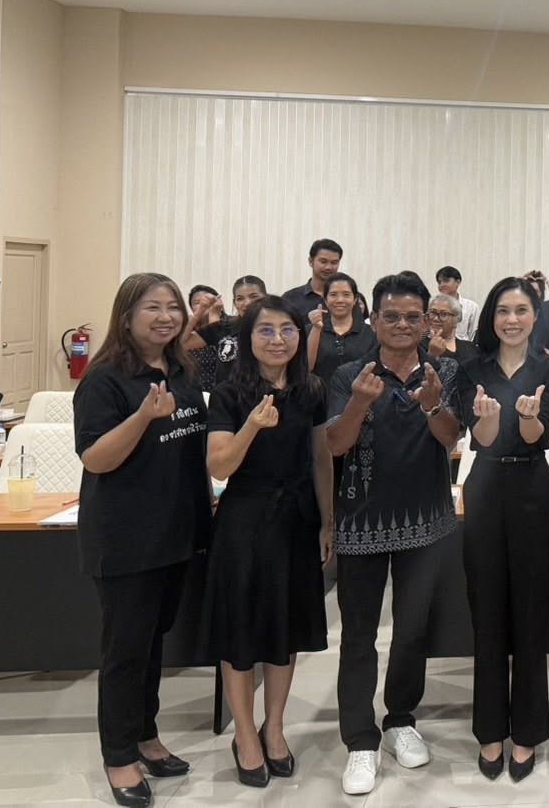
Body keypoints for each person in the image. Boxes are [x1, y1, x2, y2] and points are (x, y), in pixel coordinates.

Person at [74, 273, 212, 808]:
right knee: (126, 652)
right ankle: (118, 755)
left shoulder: (180, 369)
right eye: (152, 307)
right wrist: (142, 417)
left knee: (154, 644)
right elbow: (95, 458)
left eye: (173, 307)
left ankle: (146, 735)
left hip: (176, 532)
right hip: (126, 539)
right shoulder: (105, 379)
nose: (166, 316)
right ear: (127, 315)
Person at [326, 274, 462, 796]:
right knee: (358, 635)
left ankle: (401, 718)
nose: (402, 325)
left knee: (411, 630)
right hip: (361, 521)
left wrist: (432, 404)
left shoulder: (444, 370)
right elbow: (335, 445)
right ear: (375, 320)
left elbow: (451, 438)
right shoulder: (349, 373)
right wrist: (359, 403)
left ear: (426, 321)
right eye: (391, 316)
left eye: (412, 317)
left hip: (425, 520)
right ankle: (360, 739)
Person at [204, 298, 333, 788]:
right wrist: (252, 427)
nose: (278, 340)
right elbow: (220, 466)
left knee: (285, 630)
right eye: (266, 330)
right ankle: (245, 734)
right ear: (248, 337)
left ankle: (274, 727)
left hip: (296, 519)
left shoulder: (311, 389)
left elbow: (321, 457)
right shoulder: (229, 392)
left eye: (287, 330)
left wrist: (328, 520)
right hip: (245, 520)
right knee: (240, 632)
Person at [456, 278, 549, 782]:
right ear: (492, 317)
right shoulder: (472, 368)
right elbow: (480, 438)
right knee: (486, 614)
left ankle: (525, 732)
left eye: (521, 310)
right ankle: (489, 730)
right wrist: (488, 418)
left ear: (534, 317)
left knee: (529, 613)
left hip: (530, 489)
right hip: (484, 489)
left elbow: (538, 438)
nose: (512, 320)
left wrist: (527, 418)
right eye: (503, 310)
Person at [185, 276, 268, 391]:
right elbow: (182, 343)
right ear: (234, 303)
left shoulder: (275, 330)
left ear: (266, 298)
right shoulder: (224, 327)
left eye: (254, 296)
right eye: (240, 298)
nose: (247, 303)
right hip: (225, 399)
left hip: (264, 395)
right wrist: (199, 312)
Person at [308, 273, 377, 390]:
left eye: (346, 295)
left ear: (355, 299)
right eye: (333, 295)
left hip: (357, 396)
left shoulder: (371, 333)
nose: (340, 300)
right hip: (319, 397)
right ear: (325, 300)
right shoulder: (311, 330)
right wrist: (316, 328)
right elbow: (307, 367)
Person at [283, 239, 344, 320]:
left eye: (334, 262)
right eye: (323, 261)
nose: (328, 267)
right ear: (311, 261)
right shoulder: (291, 298)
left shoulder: (349, 298)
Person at [422, 293, 480, 367]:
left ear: (456, 319)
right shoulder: (418, 346)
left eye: (444, 314)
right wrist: (431, 355)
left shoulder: (471, 348)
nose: (436, 318)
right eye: (433, 313)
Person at [435, 266, 481, 341]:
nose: (442, 285)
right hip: (439, 344)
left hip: (464, 346)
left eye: (446, 281)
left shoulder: (471, 306)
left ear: (458, 282)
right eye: (439, 282)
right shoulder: (434, 306)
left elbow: (474, 334)